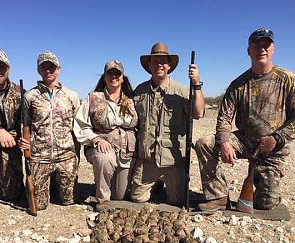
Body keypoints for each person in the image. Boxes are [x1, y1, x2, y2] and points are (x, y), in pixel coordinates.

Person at [194, 28, 295, 212]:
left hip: (274, 147)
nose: (261, 49)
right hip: (245, 141)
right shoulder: (238, 84)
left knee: (266, 204)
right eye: (256, 45)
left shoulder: (288, 80)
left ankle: (262, 179)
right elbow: (224, 117)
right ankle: (218, 197)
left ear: (273, 49)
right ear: (249, 50)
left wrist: (276, 138)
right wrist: (224, 142)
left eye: (266, 44)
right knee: (204, 143)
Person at [130, 42, 205, 206]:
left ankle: (165, 182)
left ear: (169, 66)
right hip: (147, 159)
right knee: (137, 198)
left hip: (173, 160)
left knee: (176, 201)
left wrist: (197, 83)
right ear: (149, 65)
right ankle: (156, 184)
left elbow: (198, 113)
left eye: (163, 61)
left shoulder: (182, 90)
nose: (159, 65)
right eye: (155, 61)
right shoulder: (139, 91)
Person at [19, 51, 80, 210]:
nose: (48, 70)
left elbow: (78, 127)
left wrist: (76, 154)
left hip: (66, 154)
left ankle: (56, 183)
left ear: (59, 69)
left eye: (51, 67)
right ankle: (47, 185)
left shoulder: (71, 95)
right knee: (39, 205)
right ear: (38, 70)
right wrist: (25, 141)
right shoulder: (30, 96)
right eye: (44, 67)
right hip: (40, 155)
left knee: (69, 201)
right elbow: (26, 124)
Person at [74, 60, 138, 211]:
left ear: (122, 77)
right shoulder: (93, 98)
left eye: (117, 73)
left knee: (119, 195)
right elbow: (81, 124)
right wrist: (96, 139)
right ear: (104, 77)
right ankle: (102, 200)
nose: (113, 76)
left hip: (126, 151)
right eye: (110, 73)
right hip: (102, 146)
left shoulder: (132, 100)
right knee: (105, 158)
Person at [0, 49, 25, 202]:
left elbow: (24, 123)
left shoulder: (20, 93)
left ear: (8, 69)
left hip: (9, 144)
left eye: (2, 67)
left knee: (12, 196)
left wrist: (18, 137)